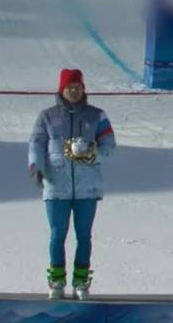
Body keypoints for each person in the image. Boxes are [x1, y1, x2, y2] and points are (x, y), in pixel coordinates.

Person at [28, 68, 116, 300]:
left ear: (84, 89)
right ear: (61, 89)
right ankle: (56, 281)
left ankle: (81, 282)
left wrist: (91, 152)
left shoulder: (97, 115)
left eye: (78, 87)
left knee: (84, 235)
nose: (74, 91)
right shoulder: (47, 116)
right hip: (57, 186)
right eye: (70, 88)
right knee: (57, 234)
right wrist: (36, 166)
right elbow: (36, 143)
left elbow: (109, 145)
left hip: (87, 187)